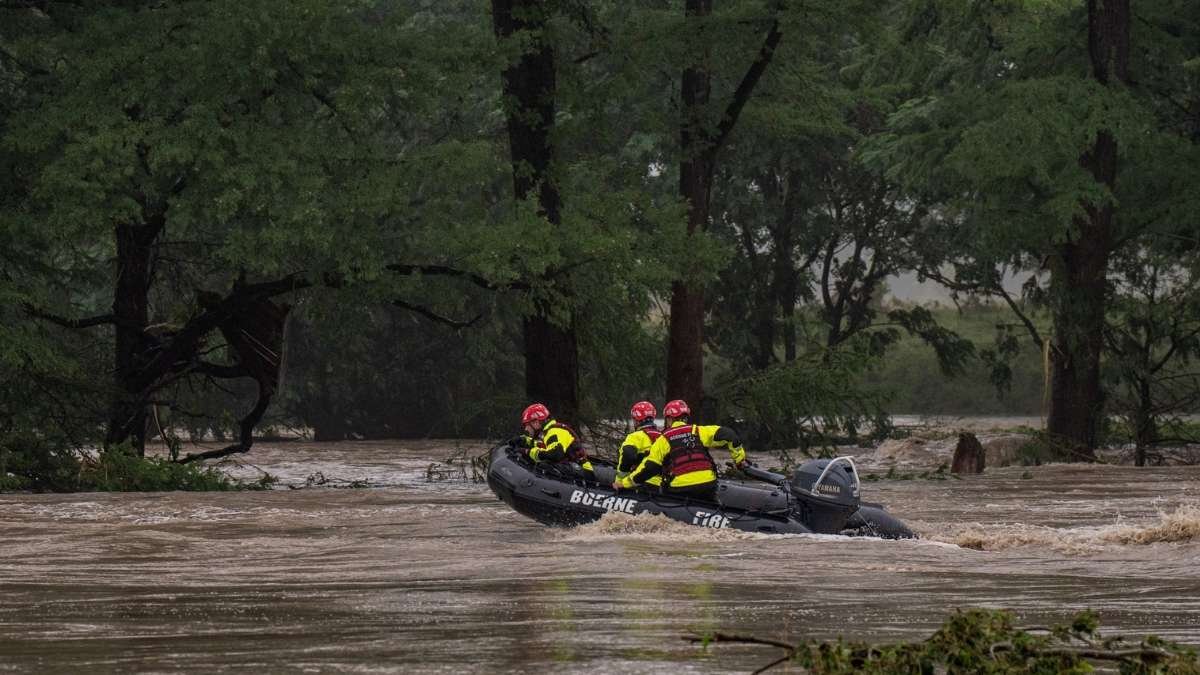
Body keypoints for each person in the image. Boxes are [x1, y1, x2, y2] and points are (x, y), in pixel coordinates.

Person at [612, 399, 746, 501]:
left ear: (669, 418)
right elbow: (730, 435)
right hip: (708, 485)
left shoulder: (664, 438)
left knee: (665, 494)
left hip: (680, 489)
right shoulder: (699, 431)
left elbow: (650, 468)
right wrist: (739, 460)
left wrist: (625, 483)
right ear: (686, 416)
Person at [512, 403, 594, 476]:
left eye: (527, 424)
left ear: (536, 422)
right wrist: (525, 440)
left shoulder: (554, 432)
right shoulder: (549, 432)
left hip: (583, 472)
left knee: (545, 465)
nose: (526, 429)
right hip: (574, 467)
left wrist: (528, 452)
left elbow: (554, 454)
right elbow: (545, 446)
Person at [615, 401, 662, 488]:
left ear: (636, 420)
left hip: (639, 483)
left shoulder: (635, 436)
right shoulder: (662, 436)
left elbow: (628, 455)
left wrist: (620, 481)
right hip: (660, 485)